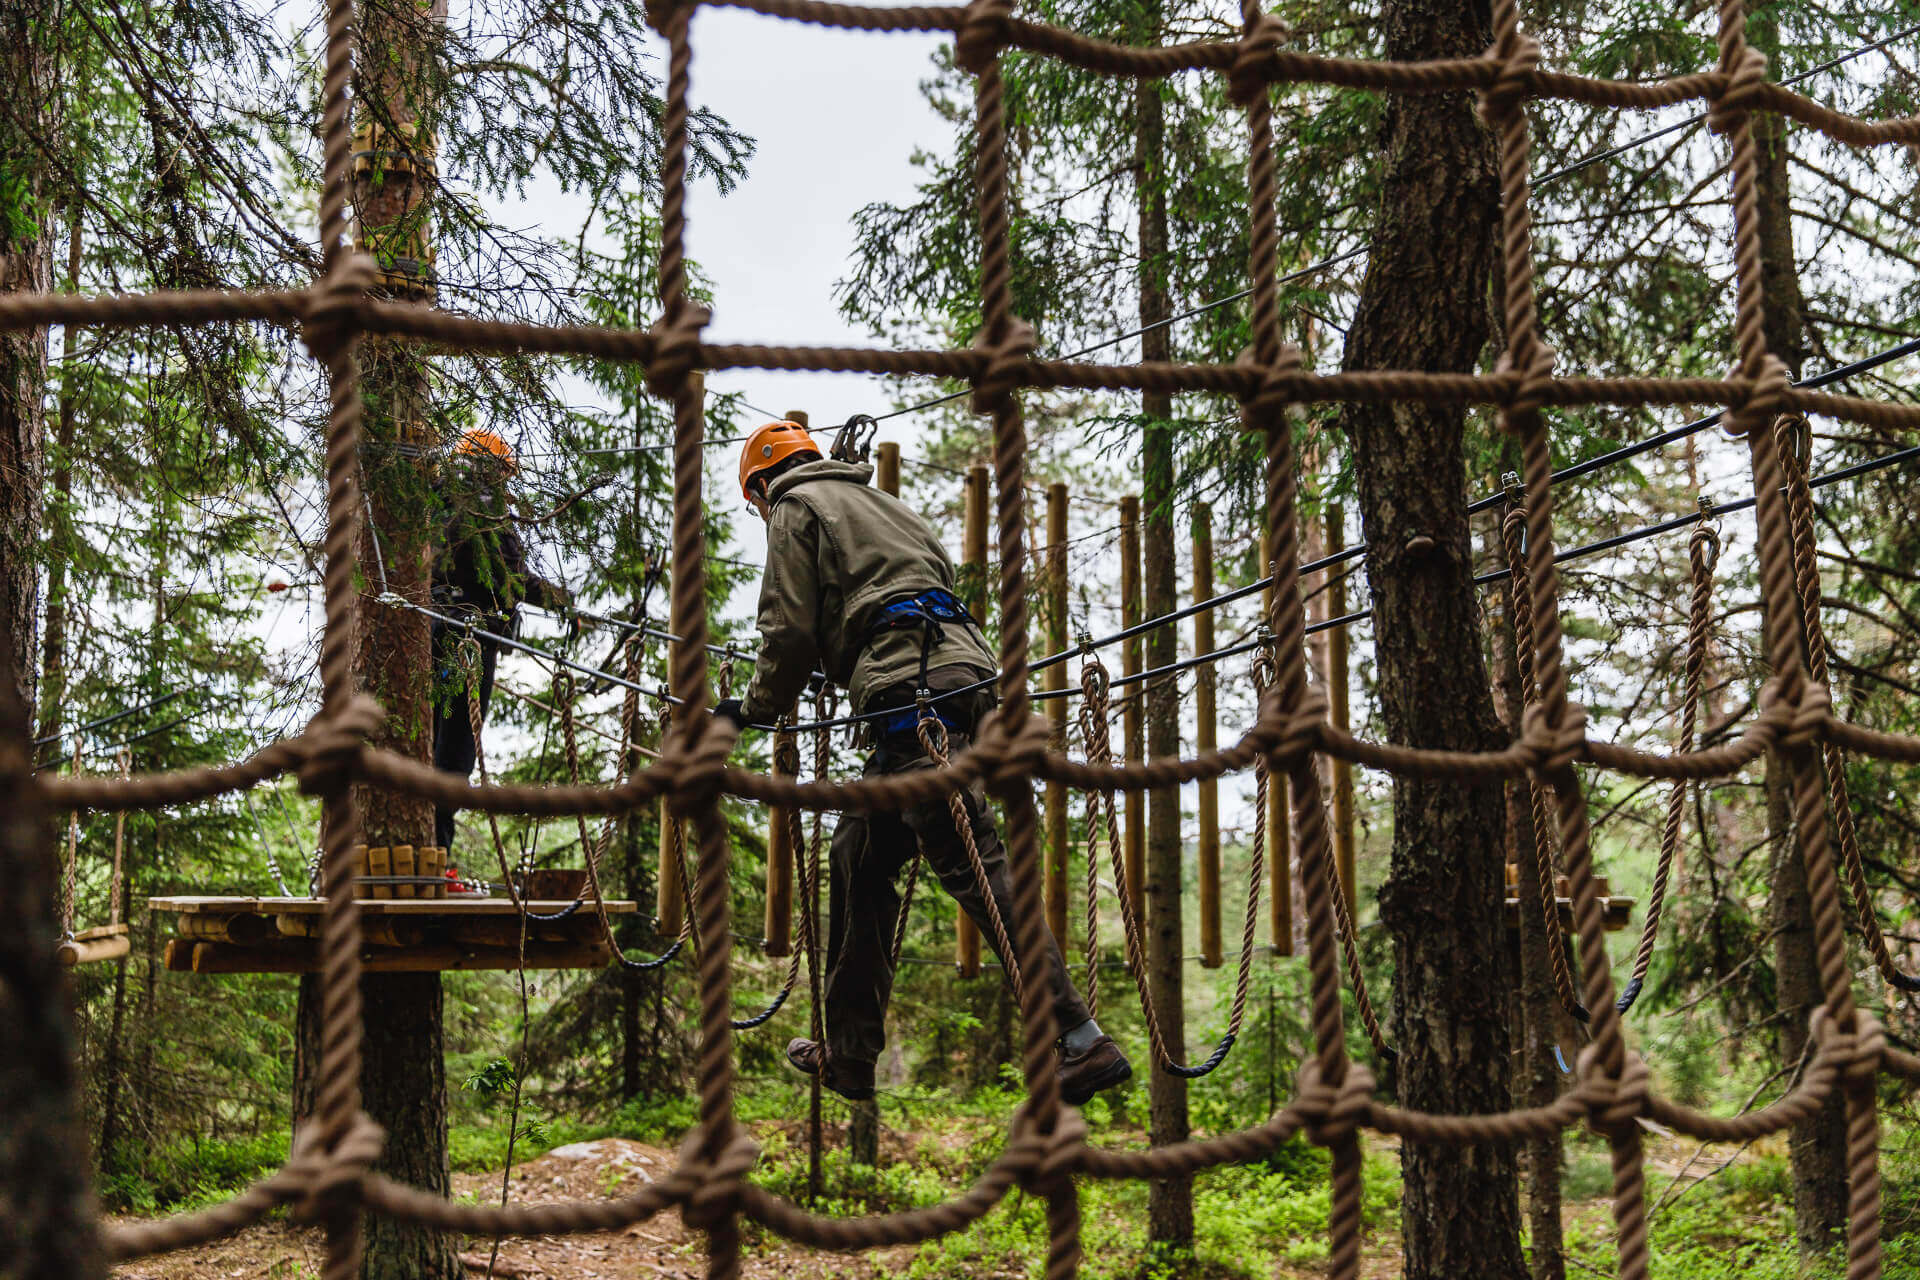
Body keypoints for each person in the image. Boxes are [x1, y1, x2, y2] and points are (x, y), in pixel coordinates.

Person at [712, 420, 1132, 1106]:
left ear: (760, 484)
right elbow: (899, 593)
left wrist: (750, 708)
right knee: (856, 857)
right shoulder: (887, 506)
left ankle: (1081, 1039)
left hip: (913, 698)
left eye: (754, 502)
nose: (760, 512)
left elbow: (788, 629)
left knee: (972, 860)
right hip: (961, 683)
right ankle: (847, 1056)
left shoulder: (795, 504)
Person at [430, 429, 569, 852]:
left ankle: (436, 852)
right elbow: (506, 574)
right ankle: (436, 851)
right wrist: (561, 600)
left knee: (442, 749)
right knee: (453, 756)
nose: (506, 485)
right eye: (503, 474)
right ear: (487, 469)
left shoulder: (443, 501)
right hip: (464, 641)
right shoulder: (478, 506)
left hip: (449, 633)